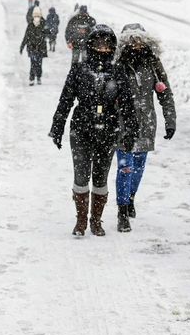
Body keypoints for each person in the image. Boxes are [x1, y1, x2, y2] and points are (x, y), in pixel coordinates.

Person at [51, 24, 137, 237]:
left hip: (107, 132)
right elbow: (66, 100)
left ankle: (96, 221)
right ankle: (81, 221)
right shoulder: (79, 69)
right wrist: (57, 127)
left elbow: (127, 104)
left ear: (113, 47)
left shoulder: (117, 71)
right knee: (81, 177)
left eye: (107, 44)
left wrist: (131, 131)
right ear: (91, 45)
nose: (102, 48)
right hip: (81, 129)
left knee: (100, 179)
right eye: (98, 43)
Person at [112, 24, 176, 232]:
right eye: (131, 40)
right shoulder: (117, 64)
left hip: (146, 123)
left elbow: (165, 93)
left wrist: (170, 119)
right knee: (125, 168)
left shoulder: (152, 63)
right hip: (122, 124)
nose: (135, 44)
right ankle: (122, 211)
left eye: (139, 40)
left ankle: (130, 198)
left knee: (138, 168)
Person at [19, 11, 49, 85]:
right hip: (32, 47)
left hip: (41, 48)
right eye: (35, 16)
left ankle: (38, 77)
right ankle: (31, 78)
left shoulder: (43, 24)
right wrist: (22, 46)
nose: (37, 18)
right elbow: (26, 36)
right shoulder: (30, 25)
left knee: (39, 64)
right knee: (33, 63)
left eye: (38, 16)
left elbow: (49, 34)